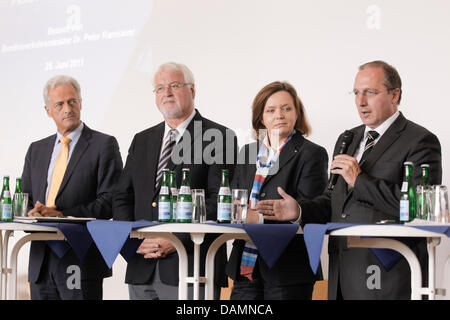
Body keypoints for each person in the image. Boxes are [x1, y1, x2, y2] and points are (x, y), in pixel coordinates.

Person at [257, 60, 442, 300]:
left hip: (388, 277)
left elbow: (419, 208)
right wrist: (299, 210)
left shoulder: (420, 141)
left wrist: (359, 180)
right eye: (356, 93)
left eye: (370, 92)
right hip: (343, 274)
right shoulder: (349, 138)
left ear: (395, 95)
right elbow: (332, 201)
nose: (361, 101)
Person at [113, 62, 237, 300]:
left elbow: (218, 202)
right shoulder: (142, 139)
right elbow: (122, 196)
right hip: (141, 265)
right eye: (159, 88)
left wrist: (176, 239)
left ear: (192, 91)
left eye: (174, 85)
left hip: (193, 264)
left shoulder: (219, 137)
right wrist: (131, 241)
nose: (166, 93)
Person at [21, 75, 123, 299]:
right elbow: (25, 198)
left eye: (72, 101)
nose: (67, 108)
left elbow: (109, 202)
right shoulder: (35, 150)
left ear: (81, 104)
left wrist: (62, 214)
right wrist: (32, 213)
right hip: (41, 261)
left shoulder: (103, 145)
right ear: (48, 110)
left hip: (80, 259)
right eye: (60, 104)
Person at [225, 81, 328, 300]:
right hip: (246, 267)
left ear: (297, 113)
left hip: (287, 270)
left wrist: (259, 220)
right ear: (261, 117)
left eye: (286, 108)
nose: (278, 115)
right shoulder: (248, 152)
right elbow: (234, 199)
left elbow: (314, 209)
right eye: (270, 110)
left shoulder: (312, 154)